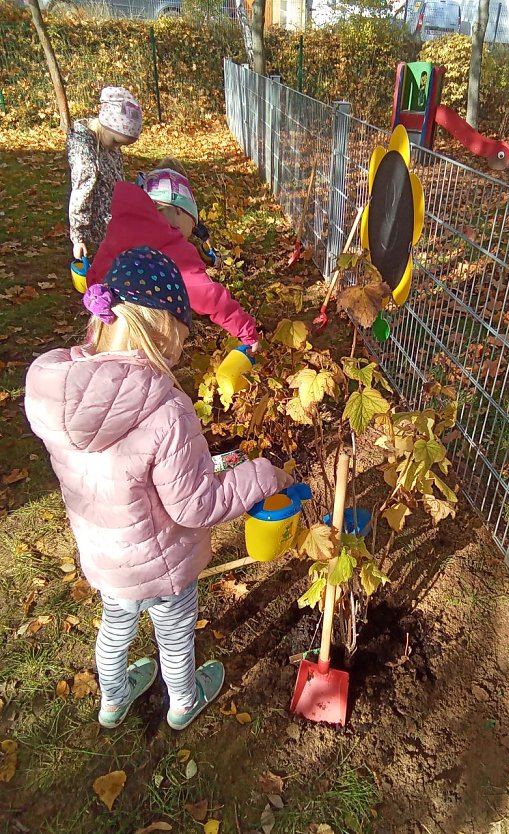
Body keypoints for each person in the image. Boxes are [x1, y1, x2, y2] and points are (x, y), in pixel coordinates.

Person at [24, 246, 292, 730]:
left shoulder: (59, 395)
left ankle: (113, 699)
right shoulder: (166, 410)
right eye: (181, 337)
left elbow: (123, 473)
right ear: (164, 331)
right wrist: (263, 475)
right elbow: (195, 505)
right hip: (165, 565)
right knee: (174, 635)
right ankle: (184, 701)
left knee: (115, 632)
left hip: (108, 562)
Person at [87, 166, 259, 351]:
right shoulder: (174, 249)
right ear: (178, 211)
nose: (189, 234)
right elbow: (208, 296)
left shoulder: (117, 231)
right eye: (191, 225)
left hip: (104, 330)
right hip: (147, 341)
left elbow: (94, 276)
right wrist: (246, 331)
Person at [67, 87, 143, 260]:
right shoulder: (85, 152)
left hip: (112, 221)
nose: (117, 148)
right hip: (96, 230)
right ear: (105, 125)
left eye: (122, 145)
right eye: (116, 141)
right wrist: (79, 238)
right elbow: (82, 193)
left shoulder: (108, 144)